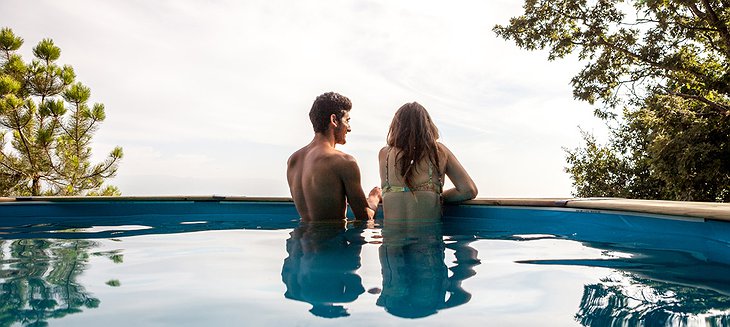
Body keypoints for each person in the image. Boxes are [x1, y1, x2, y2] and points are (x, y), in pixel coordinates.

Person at [287, 92, 381, 221]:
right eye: (347, 121)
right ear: (334, 120)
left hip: (300, 238)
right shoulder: (343, 161)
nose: (349, 129)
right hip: (332, 240)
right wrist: (374, 197)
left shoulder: (294, 160)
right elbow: (364, 216)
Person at [379, 102, 477, 219]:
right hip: (428, 236)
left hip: (392, 237)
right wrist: (436, 196)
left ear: (396, 126)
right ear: (428, 126)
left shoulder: (384, 154)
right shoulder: (438, 151)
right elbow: (469, 190)